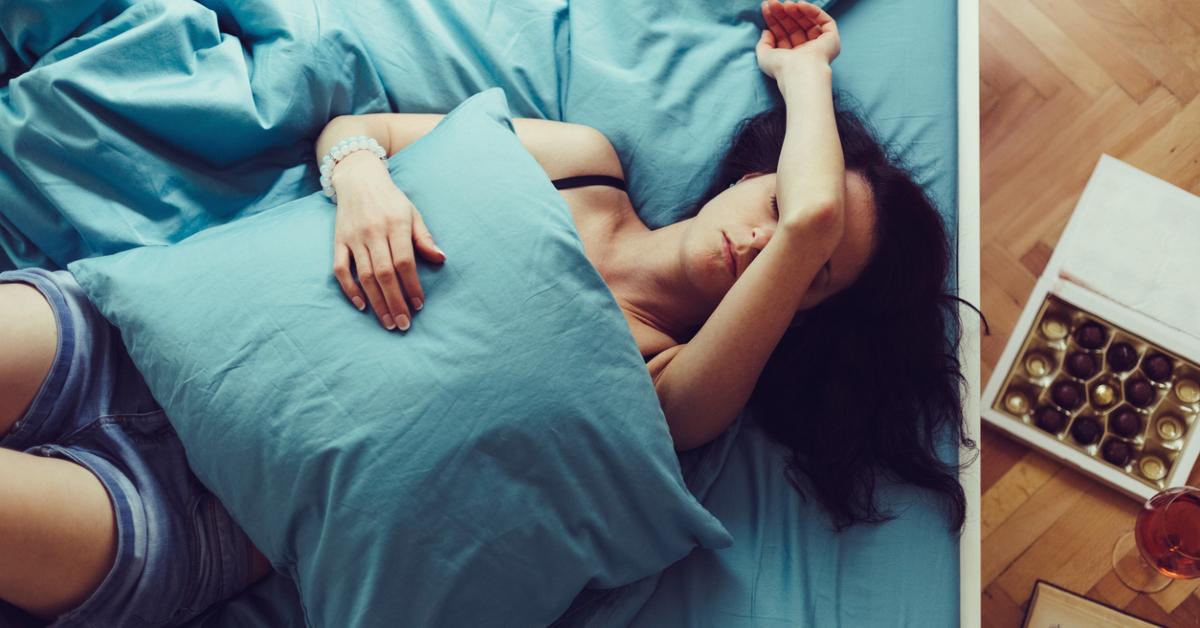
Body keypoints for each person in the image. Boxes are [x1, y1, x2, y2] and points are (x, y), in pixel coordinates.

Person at [0, 1, 968, 626]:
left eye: (815, 274)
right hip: (118, 340)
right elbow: (356, 129)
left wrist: (807, 76)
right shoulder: (585, 160)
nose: (775, 242)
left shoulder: (677, 396)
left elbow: (809, 220)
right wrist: (364, 178)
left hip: (188, 524)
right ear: (752, 174)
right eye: (775, 205)